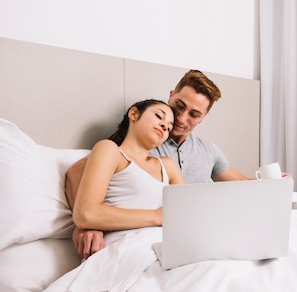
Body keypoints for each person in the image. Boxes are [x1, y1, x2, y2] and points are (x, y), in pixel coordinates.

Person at [68, 70, 253, 258]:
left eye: (194, 114)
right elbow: (77, 173)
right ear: (171, 95)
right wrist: (86, 224)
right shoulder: (141, 141)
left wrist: (278, 182)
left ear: (204, 116)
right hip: (150, 240)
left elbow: (243, 183)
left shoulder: (208, 150)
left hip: (195, 231)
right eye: (178, 106)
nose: (181, 119)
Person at [72, 99, 183, 244]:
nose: (164, 126)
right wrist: (156, 216)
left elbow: (184, 216)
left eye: (169, 127)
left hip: (170, 246)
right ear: (134, 114)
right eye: (158, 116)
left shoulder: (168, 166)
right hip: (128, 246)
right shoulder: (110, 150)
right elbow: (86, 214)